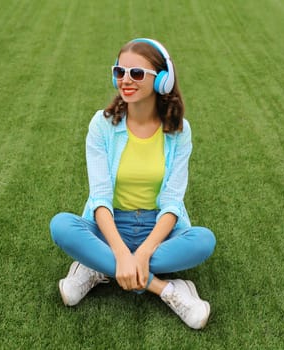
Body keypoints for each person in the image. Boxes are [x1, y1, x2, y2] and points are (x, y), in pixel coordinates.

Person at [50, 38, 216, 329]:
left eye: (136, 74)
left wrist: (141, 253)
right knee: (61, 226)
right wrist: (122, 252)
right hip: (109, 226)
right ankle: (167, 290)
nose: (125, 80)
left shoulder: (179, 131)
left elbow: (172, 201)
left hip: (158, 230)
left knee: (203, 241)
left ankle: (98, 268)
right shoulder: (102, 125)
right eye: (119, 72)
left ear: (162, 80)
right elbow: (100, 197)